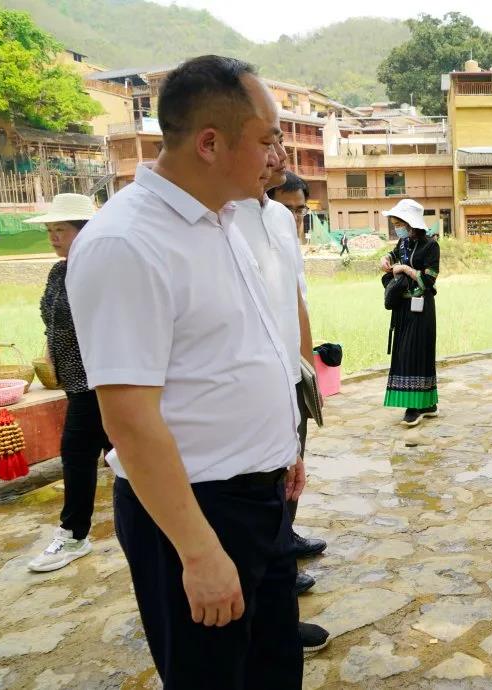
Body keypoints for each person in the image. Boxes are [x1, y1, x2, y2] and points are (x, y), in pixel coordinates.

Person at [66, 55, 304, 687]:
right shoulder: (128, 243)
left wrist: (283, 449)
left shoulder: (221, 221)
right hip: (196, 513)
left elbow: (235, 355)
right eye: (266, 138)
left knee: (274, 671)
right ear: (209, 143)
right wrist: (198, 551)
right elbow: (130, 418)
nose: (276, 153)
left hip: (261, 500)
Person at [239, 147, 329, 653]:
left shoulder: (274, 220)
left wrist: (306, 366)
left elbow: (294, 296)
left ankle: (278, 598)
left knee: (287, 477)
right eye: (264, 140)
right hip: (248, 393)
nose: (274, 154)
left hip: (287, 375)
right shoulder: (223, 219)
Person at [25, 194, 113, 573]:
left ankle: (74, 533)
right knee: (111, 456)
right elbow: (54, 322)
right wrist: (51, 356)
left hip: (106, 381)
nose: (53, 237)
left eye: (60, 229)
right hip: (77, 383)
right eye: (49, 230)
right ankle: (77, 532)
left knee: (82, 454)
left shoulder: (105, 270)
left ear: (85, 231)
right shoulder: (58, 272)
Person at [380, 198, 440, 427]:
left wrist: (406, 269)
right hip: (403, 307)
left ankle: (415, 406)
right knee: (403, 352)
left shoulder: (431, 245)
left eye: (399, 223)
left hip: (421, 308)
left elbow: (429, 279)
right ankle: (427, 404)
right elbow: (392, 256)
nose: (397, 227)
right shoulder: (403, 244)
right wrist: (386, 259)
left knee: (417, 353)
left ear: (410, 223)